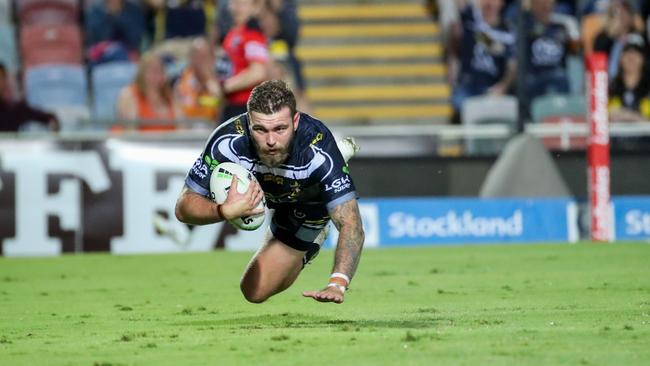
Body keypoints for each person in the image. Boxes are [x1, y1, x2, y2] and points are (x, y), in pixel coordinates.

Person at [175, 80, 364, 304]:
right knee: (251, 292)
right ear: (248, 122)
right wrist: (223, 210)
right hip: (270, 194)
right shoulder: (227, 142)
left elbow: (352, 225)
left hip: (308, 203)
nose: (271, 141)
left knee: (257, 290)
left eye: (280, 129)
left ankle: (309, 241)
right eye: (260, 129)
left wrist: (338, 283)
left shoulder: (319, 149)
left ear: (295, 121)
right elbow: (183, 208)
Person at [447, 0, 516, 123]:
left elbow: (512, 65)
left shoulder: (508, 33)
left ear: (501, 3)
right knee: (459, 102)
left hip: (492, 89)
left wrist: (503, 86)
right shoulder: (472, 19)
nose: (489, 3)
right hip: (469, 86)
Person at [218, 0, 270, 122]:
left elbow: (257, 72)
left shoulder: (252, 34)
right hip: (231, 104)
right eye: (235, 3)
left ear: (254, 8)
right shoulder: (233, 33)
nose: (237, 8)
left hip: (245, 105)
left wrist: (225, 87)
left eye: (243, 4)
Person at [524, 0, 580, 99]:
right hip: (534, 76)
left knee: (563, 78)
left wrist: (572, 35)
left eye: (548, 2)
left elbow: (576, 52)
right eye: (541, 3)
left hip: (558, 74)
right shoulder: (525, 25)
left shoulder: (563, 24)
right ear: (532, 5)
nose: (545, 5)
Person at [116, 52, 180, 131]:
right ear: (141, 74)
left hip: (166, 142)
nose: (156, 73)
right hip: (137, 142)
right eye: (151, 70)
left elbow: (182, 128)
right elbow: (130, 131)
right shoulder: (128, 95)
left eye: (159, 70)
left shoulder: (170, 96)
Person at [0, 62, 59, 132]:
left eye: (0, 78)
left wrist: (52, 121)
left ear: (5, 80)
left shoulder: (14, 110)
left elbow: (47, 118)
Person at [174, 37, 222, 122]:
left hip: (212, 128)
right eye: (197, 56)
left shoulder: (222, 82)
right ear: (190, 58)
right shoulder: (180, 82)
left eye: (204, 57)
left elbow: (220, 110)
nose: (200, 61)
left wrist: (209, 80)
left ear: (213, 59)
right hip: (188, 129)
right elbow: (179, 114)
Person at [85, 0, 146, 65]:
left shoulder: (135, 11)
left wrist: (118, 14)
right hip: (101, 62)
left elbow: (137, 40)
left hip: (129, 61)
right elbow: (92, 42)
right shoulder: (94, 12)